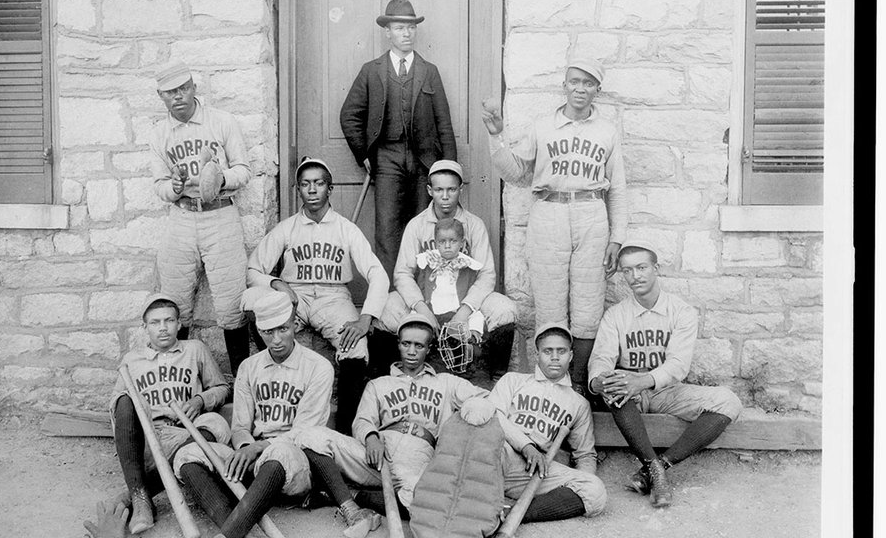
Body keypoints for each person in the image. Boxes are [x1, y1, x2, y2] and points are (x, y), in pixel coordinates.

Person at [481, 57, 626, 393]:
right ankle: (547, 386)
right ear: (564, 85)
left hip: (591, 213)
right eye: (575, 81)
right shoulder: (543, 126)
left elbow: (617, 190)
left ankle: (578, 387)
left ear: (597, 90)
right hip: (549, 212)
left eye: (588, 83)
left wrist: (617, 238)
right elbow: (516, 173)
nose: (580, 89)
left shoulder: (607, 132)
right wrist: (496, 137)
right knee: (549, 305)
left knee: (589, 308)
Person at [173, 290, 333, 538]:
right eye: (268, 332)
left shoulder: (319, 367)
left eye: (283, 329)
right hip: (255, 460)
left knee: (279, 453)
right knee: (189, 454)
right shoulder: (249, 367)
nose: (276, 339)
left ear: (295, 323)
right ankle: (249, 537)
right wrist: (245, 447)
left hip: (294, 463)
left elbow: (304, 433)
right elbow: (240, 426)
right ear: (259, 330)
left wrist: (260, 447)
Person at [294, 311, 487, 532]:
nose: (412, 351)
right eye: (406, 344)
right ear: (398, 344)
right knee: (311, 436)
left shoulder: (446, 383)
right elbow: (363, 420)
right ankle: (349, 504)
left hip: (417, 455)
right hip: (375, 455)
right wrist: (371, 436)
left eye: (419, 345)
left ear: (429, 349)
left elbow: (483, 400)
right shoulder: (379, 384)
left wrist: (459, 429)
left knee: (426, 502)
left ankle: (354, 495)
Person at [588, 241, 743, 508]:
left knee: (728, 401)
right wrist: (600, 381)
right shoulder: (616, 315)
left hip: (666, 390)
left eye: (641, 267)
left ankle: (659, 466)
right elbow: (601, 360)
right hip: (629, 394)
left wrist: (643, 381)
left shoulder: (680, 311)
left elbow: (678, 365)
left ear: (655, 268)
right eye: (627, 271)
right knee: (614, 386)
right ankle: (655, 470)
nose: (635, 276)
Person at [243, 158, 388, 437]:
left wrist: (365, 319)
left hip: (333, 297)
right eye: (306, 184)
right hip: (293, 294)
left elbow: (378, 274)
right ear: (298, 189)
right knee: (251, 300)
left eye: (319, 183)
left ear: (329, 189)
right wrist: (277, 283)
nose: (312, 190)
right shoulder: (287, 228)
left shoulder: (346, 228)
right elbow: (253, 270)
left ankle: (345, 433)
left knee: (355, 347)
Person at [339, 0, 457, 280]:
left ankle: (421, 298)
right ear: (388, 32)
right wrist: (364, 154)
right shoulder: (372, 70)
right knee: (388, 230)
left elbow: (444, 123)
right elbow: (349, 115)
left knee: (423, 229)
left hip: (423, 160)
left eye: (411, 28)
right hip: (387, 159)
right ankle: (390, 301)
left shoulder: (429, 71)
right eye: (400, 27)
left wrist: (450, 170)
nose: (406, 33)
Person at [149, 59, 252, 375]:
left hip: (220, 215)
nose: (178, 96)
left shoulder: (221, 122)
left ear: (194, 87)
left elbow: (244, 170)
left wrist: (221, 179)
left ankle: (243, 385)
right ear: (161, 96)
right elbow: (159, 185)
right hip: (182, 218)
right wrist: (174, 187)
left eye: (183, 88)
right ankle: (176, 380)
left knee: (232, 304)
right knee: (175, 304)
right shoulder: (160, 133)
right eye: (170, 92)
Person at [379, 159, 516, 384]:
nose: (445, 196)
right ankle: (384, 377)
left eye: (451, 189)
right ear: (429, 190)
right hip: (426, 299)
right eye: (439, 189)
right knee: (385, 308)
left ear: (460, 190)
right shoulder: (417, 225)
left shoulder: (474, 224)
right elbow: (402, 274)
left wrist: (464, 311)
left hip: (466, 299)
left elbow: (487, 274)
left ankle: (495, 375)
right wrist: (421, 308)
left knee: (505, 309)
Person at [107, 293, 231, 538]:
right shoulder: (132, 360)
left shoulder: (194, 350)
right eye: (155, 323)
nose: (163, 328)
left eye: (169, 321)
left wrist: (200, 399)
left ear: (179, 324)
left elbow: (222, 387)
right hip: (149, 438)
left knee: (217, 423)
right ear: (145, 327)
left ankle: (138, 492)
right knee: (123, 399)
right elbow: (117, 409)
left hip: (188, 433)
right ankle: (141, 499)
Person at [470, 323, 607, 524]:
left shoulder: (578, 403)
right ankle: (485, 507)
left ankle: (513, 516)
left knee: (595, 490)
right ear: (537, 354)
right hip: (500, 453)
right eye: (547, 351)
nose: (554, 357)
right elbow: (493, 415)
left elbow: (585, 455)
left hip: (534, 470)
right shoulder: (513, 380)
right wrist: (526, 446)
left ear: (570, 355)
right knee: (486, 438)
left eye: (561, 351)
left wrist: (574, 485)